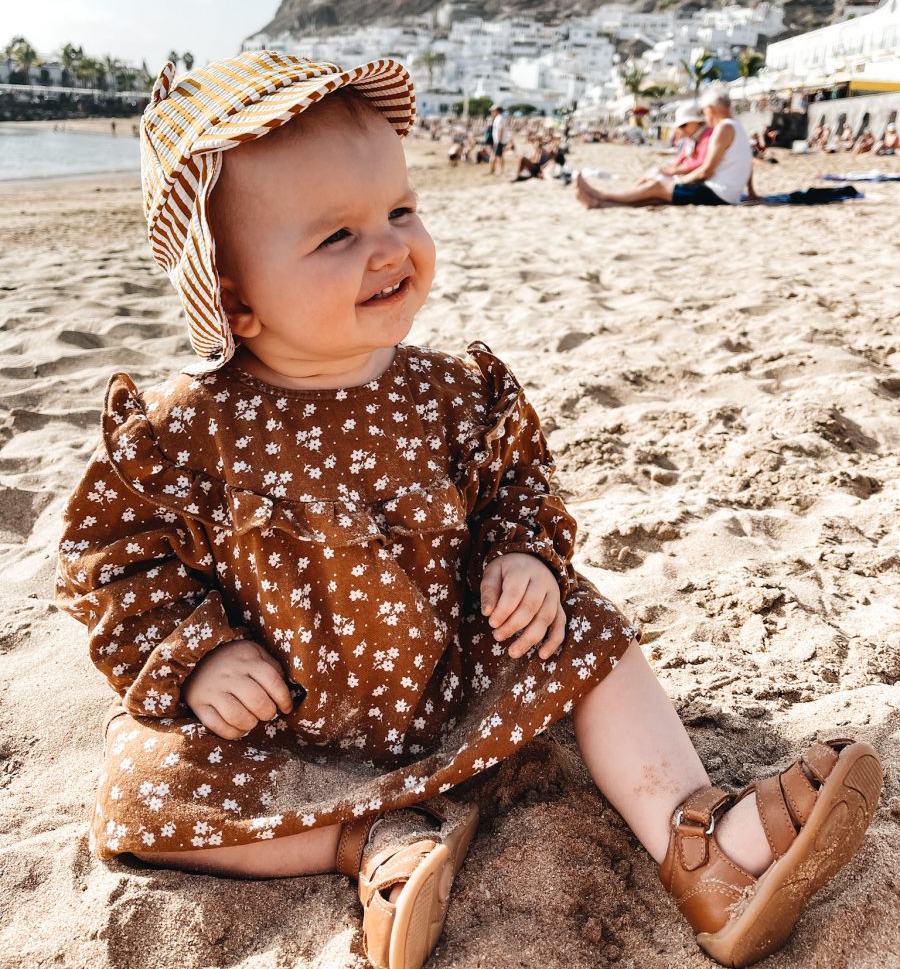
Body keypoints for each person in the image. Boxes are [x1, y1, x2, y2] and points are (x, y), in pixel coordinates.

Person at [57, 51, 882, 969]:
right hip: (285, 722)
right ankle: (365, 840)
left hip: (455, 673)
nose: (389, 248)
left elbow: (516, 484)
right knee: (139, 798)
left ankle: (698, 838)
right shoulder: (186, 431)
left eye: (400, 211)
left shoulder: (455, 391)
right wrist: (198, 656)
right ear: (232, 296)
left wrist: (522, 556)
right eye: (337, 237)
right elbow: (113, 560)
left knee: (587, 630)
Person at [576, 89, 755, 207]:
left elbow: (706, 171)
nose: (704, 116)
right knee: (656, 196)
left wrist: (680, 181)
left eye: (704, 111)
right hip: (726, 194)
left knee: (657, 186)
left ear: (710, 109)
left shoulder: (724, 128)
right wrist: (751, 192)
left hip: (717, 193)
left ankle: (601, 195)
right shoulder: (737, 126)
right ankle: (598, 203)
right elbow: (747, 162)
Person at [489, 105, 510, 175]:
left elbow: (500, 130)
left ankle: (500, 170)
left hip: (498, 140)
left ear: (497, 111)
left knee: (499, 156)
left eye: (492, 111)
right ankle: (493, 170)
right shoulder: (500, 118)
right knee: (497, 155)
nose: (491, 112)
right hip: (498, 140)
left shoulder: (499, 118)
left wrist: (499, 141)